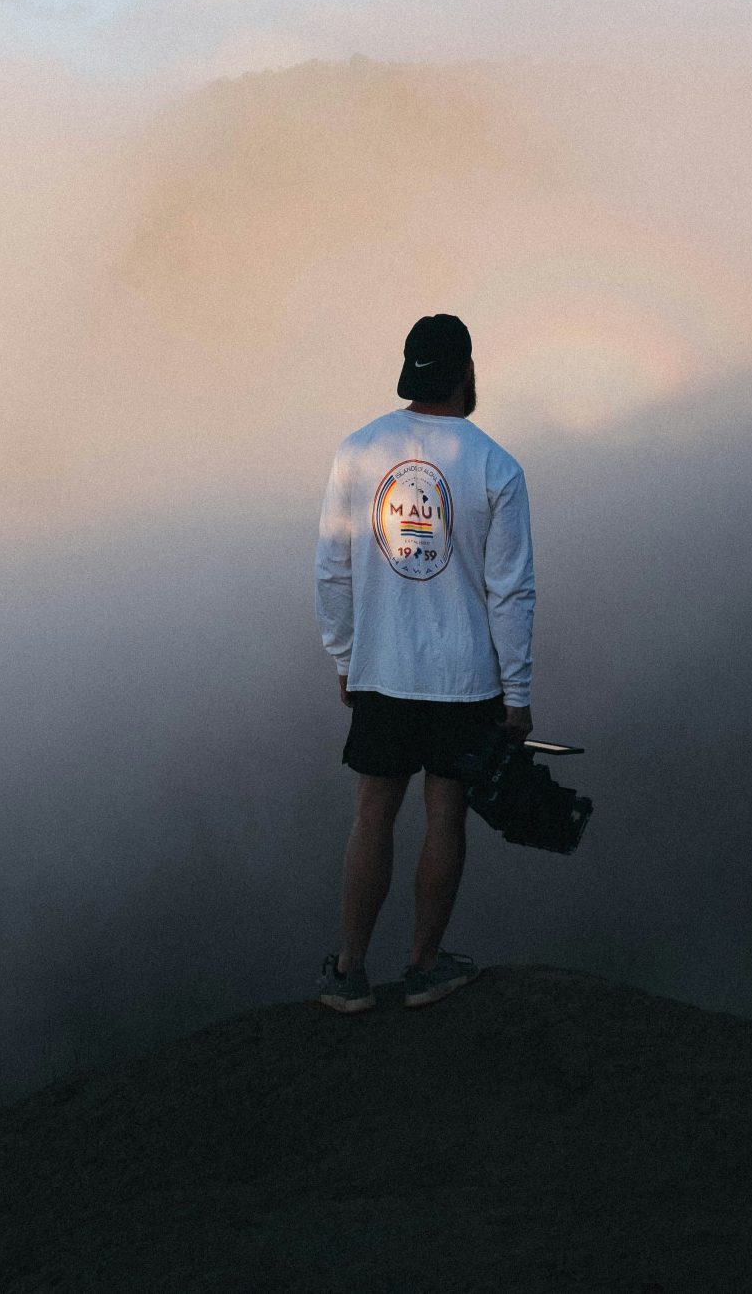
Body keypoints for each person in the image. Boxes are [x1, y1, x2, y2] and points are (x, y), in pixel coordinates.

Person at [313, 313, 535, 1012]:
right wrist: (517, 691)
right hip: (463, 677)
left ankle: (349, 971)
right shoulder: (496, 466)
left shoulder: (358, 451)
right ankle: (424, 966)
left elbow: (332, 567)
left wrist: (345, 655)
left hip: (382, 668)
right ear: (467, 370)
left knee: (372, 813)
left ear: (410, 371)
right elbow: (511, 590)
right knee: (446, 814)